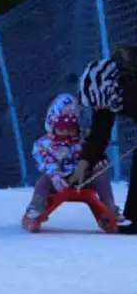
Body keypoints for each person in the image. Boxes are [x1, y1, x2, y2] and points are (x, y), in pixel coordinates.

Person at [23, 92, 118, 229]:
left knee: (101, 176)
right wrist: (55, 175)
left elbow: (95, 152)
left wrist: (99, 163)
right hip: (58, 179)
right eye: (62, 129)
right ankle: (37, 206)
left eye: (71, 129)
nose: (67, 133)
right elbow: (44, 161)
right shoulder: (44, 144)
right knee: (43, 182)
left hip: (83, 179)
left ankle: (109, 207)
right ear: (52, 126)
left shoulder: (84, 140)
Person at [71, 44, 137, 234]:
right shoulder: (108, 92)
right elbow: (100, 131)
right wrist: (83, 164)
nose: (98, 110)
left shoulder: (129, 89)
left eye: (98, 105)